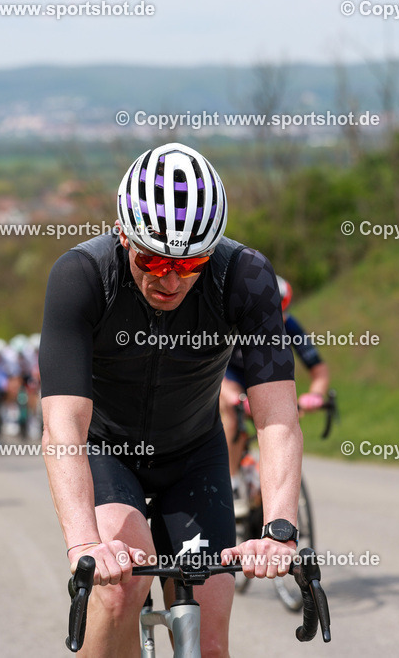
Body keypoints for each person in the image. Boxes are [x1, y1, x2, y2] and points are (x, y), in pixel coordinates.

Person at [40, 142, 305, 657]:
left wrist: (279, 530)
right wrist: (84, 544)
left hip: (193, 454)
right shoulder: (81, 277)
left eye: (191, 263)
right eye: (153, 259)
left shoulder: (246, 278)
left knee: (209, 642)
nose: (170, 278)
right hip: (107, 451)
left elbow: (276, 417)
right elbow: (63, 427)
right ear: (123, 233)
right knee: (119, 589)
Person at [220, 274, 330, 502]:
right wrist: (232, 395)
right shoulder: (230, 322)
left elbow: (318, 370)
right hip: (230, 380)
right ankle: (233, 484)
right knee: (230, 411)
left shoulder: (290, 325)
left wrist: (315, 395)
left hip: (264, 381)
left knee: (281, 425)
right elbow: (210, 370)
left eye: (279, 314)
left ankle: (268, 486)